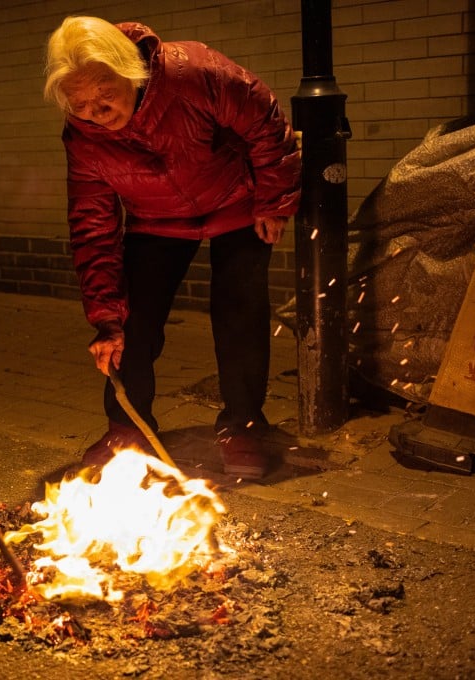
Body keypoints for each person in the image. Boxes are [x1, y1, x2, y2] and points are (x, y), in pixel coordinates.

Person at [44, 16, 301, 479]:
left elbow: (266, 122)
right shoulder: (83, 136)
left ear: (131, 71)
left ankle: (243, 425)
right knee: (131, 321)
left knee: (238, 311)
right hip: (156, 217)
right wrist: (104, 317)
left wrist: (274, 201)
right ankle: (129, 426)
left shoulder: (193, 72)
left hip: (236, 200)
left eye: (105, 93)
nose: (96, 112)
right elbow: (92, 222)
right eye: (79, 103)